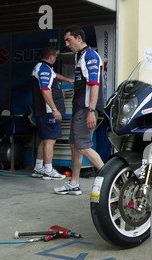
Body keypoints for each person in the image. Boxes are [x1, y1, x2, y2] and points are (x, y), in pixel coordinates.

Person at [54, 25, 105, 196]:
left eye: (69, 40)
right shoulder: (81, 56)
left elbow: (94, 85)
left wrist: (91, 110)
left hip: (86, 109)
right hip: (80, 110)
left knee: (82, 147)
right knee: (75, 145)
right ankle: (74, 183)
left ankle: (113, 178)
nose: (67, 44)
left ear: (78, 38)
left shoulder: (90, 56)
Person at [31, 45, 73, 180]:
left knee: (45, 139)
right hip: (48, 111)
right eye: (55, 56)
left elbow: (53, 75)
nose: (55, 59)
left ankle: (38, 168)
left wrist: (67, 79)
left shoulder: (43, 68)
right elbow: (45, 90)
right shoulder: (44, 69)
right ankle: (48, 169)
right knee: (50, 140)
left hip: (43, 111)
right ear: (51, 57)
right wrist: (54, 110)